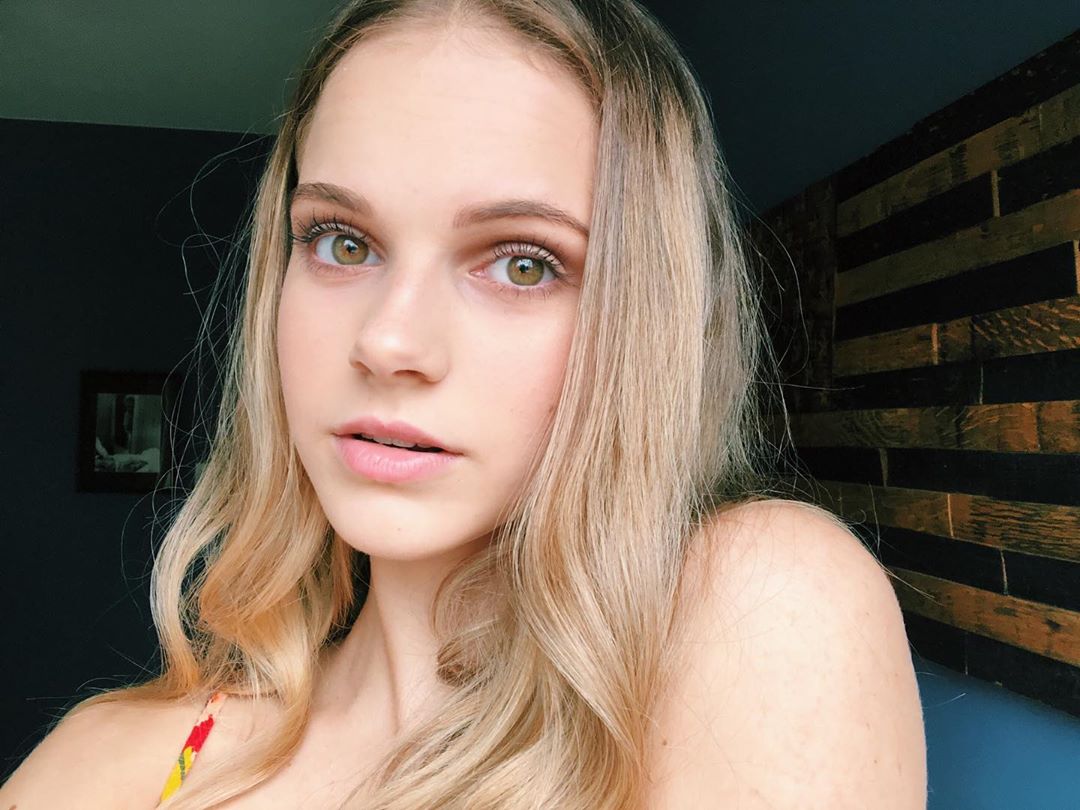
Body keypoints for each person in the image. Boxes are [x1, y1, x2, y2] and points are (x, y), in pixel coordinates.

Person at [0, 0, 927, 807]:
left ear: (644, 317)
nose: (387, 341)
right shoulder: (117, 758)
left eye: (522, 263)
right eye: (342, 242)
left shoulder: (764, 608)